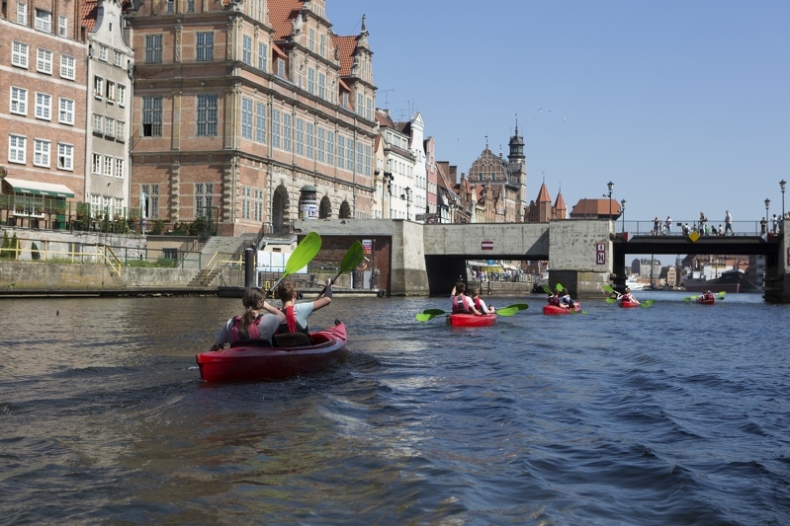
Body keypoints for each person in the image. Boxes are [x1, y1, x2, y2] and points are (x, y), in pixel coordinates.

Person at [212, 287, 286, 349]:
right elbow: (283, 316)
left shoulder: (231, 323)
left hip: (238, 364)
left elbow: (217, 346)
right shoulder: (268, 320)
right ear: (261, 303)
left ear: (244, 302)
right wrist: (267, 306)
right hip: (263, 363)